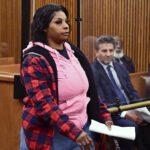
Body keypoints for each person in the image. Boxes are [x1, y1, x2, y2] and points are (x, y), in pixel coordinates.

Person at [20, 4, 113, 150]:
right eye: (58, 22)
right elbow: (44, 104)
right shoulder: (34, 59)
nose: (66, 26)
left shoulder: (75, 53)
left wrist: (104, 114)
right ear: (44, 27)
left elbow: (89, 91)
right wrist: (73, 131)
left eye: (66, 22)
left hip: (83, 128)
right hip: (52, 134)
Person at [91, 35, 150, 150]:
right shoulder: (93, 71)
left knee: (146, 124)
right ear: (96, 52)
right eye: (104, 51)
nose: (108, 54)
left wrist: (140, 108)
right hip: (112, 115)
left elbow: (131, 91)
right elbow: (101, 102)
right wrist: (125, 114)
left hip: (131, 107)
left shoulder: (120, 66)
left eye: (111, 50)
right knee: (132, 127)